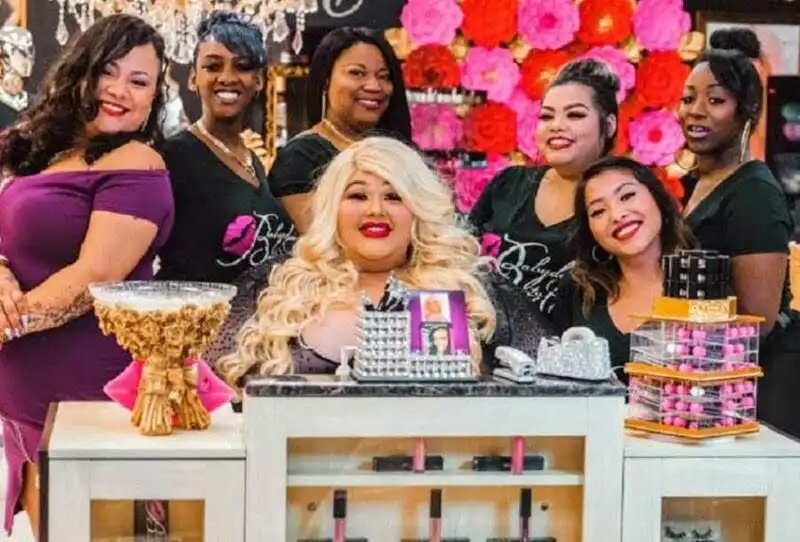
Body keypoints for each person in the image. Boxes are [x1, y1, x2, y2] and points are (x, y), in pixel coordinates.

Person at [0, 15, 173, 536]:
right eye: (108, 72)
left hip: (90, 398)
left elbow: (93, 278)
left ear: (153, 98)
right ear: (82, 72)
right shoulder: (39, 152)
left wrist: (5, 323)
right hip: (25, 394)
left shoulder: (137, 164)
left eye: (139, 81)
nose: (120, 90)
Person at [212, 137, 550, 383]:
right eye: (358, 195)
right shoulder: (279, 286)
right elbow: (209, 385)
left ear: (418, 210)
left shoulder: (475, 291)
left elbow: (548, 387)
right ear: (333, 210)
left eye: (394, 196)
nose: (375, 210)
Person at [677, 34, 800, 437]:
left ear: (746, 111)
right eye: (688, 98)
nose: (695, 110)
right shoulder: (702, 180)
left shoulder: (754, 192)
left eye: (715, 100)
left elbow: (756, 322)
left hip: (754, 382)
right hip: (706, 371)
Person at [469, 58, 619, 318]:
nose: (556, 125)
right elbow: (460, 253)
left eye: (575, 115)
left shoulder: (623, 201)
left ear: (608, 125)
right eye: (546, 116)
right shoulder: (508, 183)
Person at [157, 11, 296, 283]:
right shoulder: (173, 157)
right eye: (213, 66)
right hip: (200, 309)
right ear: (193, 78)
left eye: (242, 66)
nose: (228, 77)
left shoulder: (252, 159)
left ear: (259, 80)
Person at [552, 157, 694, 378]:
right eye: (598, 211)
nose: (617, 215)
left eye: (627, 196)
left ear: (657, 198)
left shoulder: (701, 285)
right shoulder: (578, 290)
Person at [268, 26, 412, 234]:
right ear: (326, 80)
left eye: (384, 76)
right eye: (357, 73)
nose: (374, 86)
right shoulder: (301, 158)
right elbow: (319, 244)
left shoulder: (401, 153)